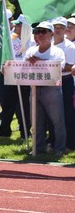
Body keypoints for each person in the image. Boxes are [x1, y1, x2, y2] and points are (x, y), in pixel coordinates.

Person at [25, 21, 66, 156]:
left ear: (51, 34)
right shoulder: (31, 51)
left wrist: (39, 62)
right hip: (34, 89)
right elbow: (22, 67)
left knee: (57, 121)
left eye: (43, 31)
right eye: (37, 32)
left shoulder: (57, 51)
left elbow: (58, 67)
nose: (40, 35)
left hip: (52, 89)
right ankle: (38, 148)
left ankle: (60, 148)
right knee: (36, 122)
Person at [51, 17, 75, 150]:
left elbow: (69, 67)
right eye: (55, 27)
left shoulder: (70, 46)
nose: (57, 30)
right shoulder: (49, 44)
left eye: (61, 27)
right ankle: (53, 141)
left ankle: (70, 143)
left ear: (65, 30)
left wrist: (52, 67)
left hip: (65, 81)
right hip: (52, 81)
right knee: (53, 115)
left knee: (67, 113)